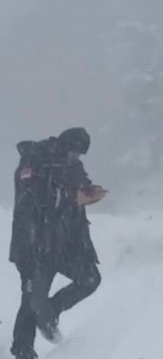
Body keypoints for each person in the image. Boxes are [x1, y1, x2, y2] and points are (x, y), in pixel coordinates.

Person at [9, 128, 107, 359]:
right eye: (74, 153)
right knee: (31, 297)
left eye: (79, 155)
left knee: (90, 279)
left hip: (66, 243)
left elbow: (79, 184)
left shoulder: (72, 165)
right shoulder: (34, 159)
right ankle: (23, 348)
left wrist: (89, 191)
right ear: (64, 145)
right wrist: (71, 197)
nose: (76, 158)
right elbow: (32, 198)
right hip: (35, 244)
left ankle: (52, 310)